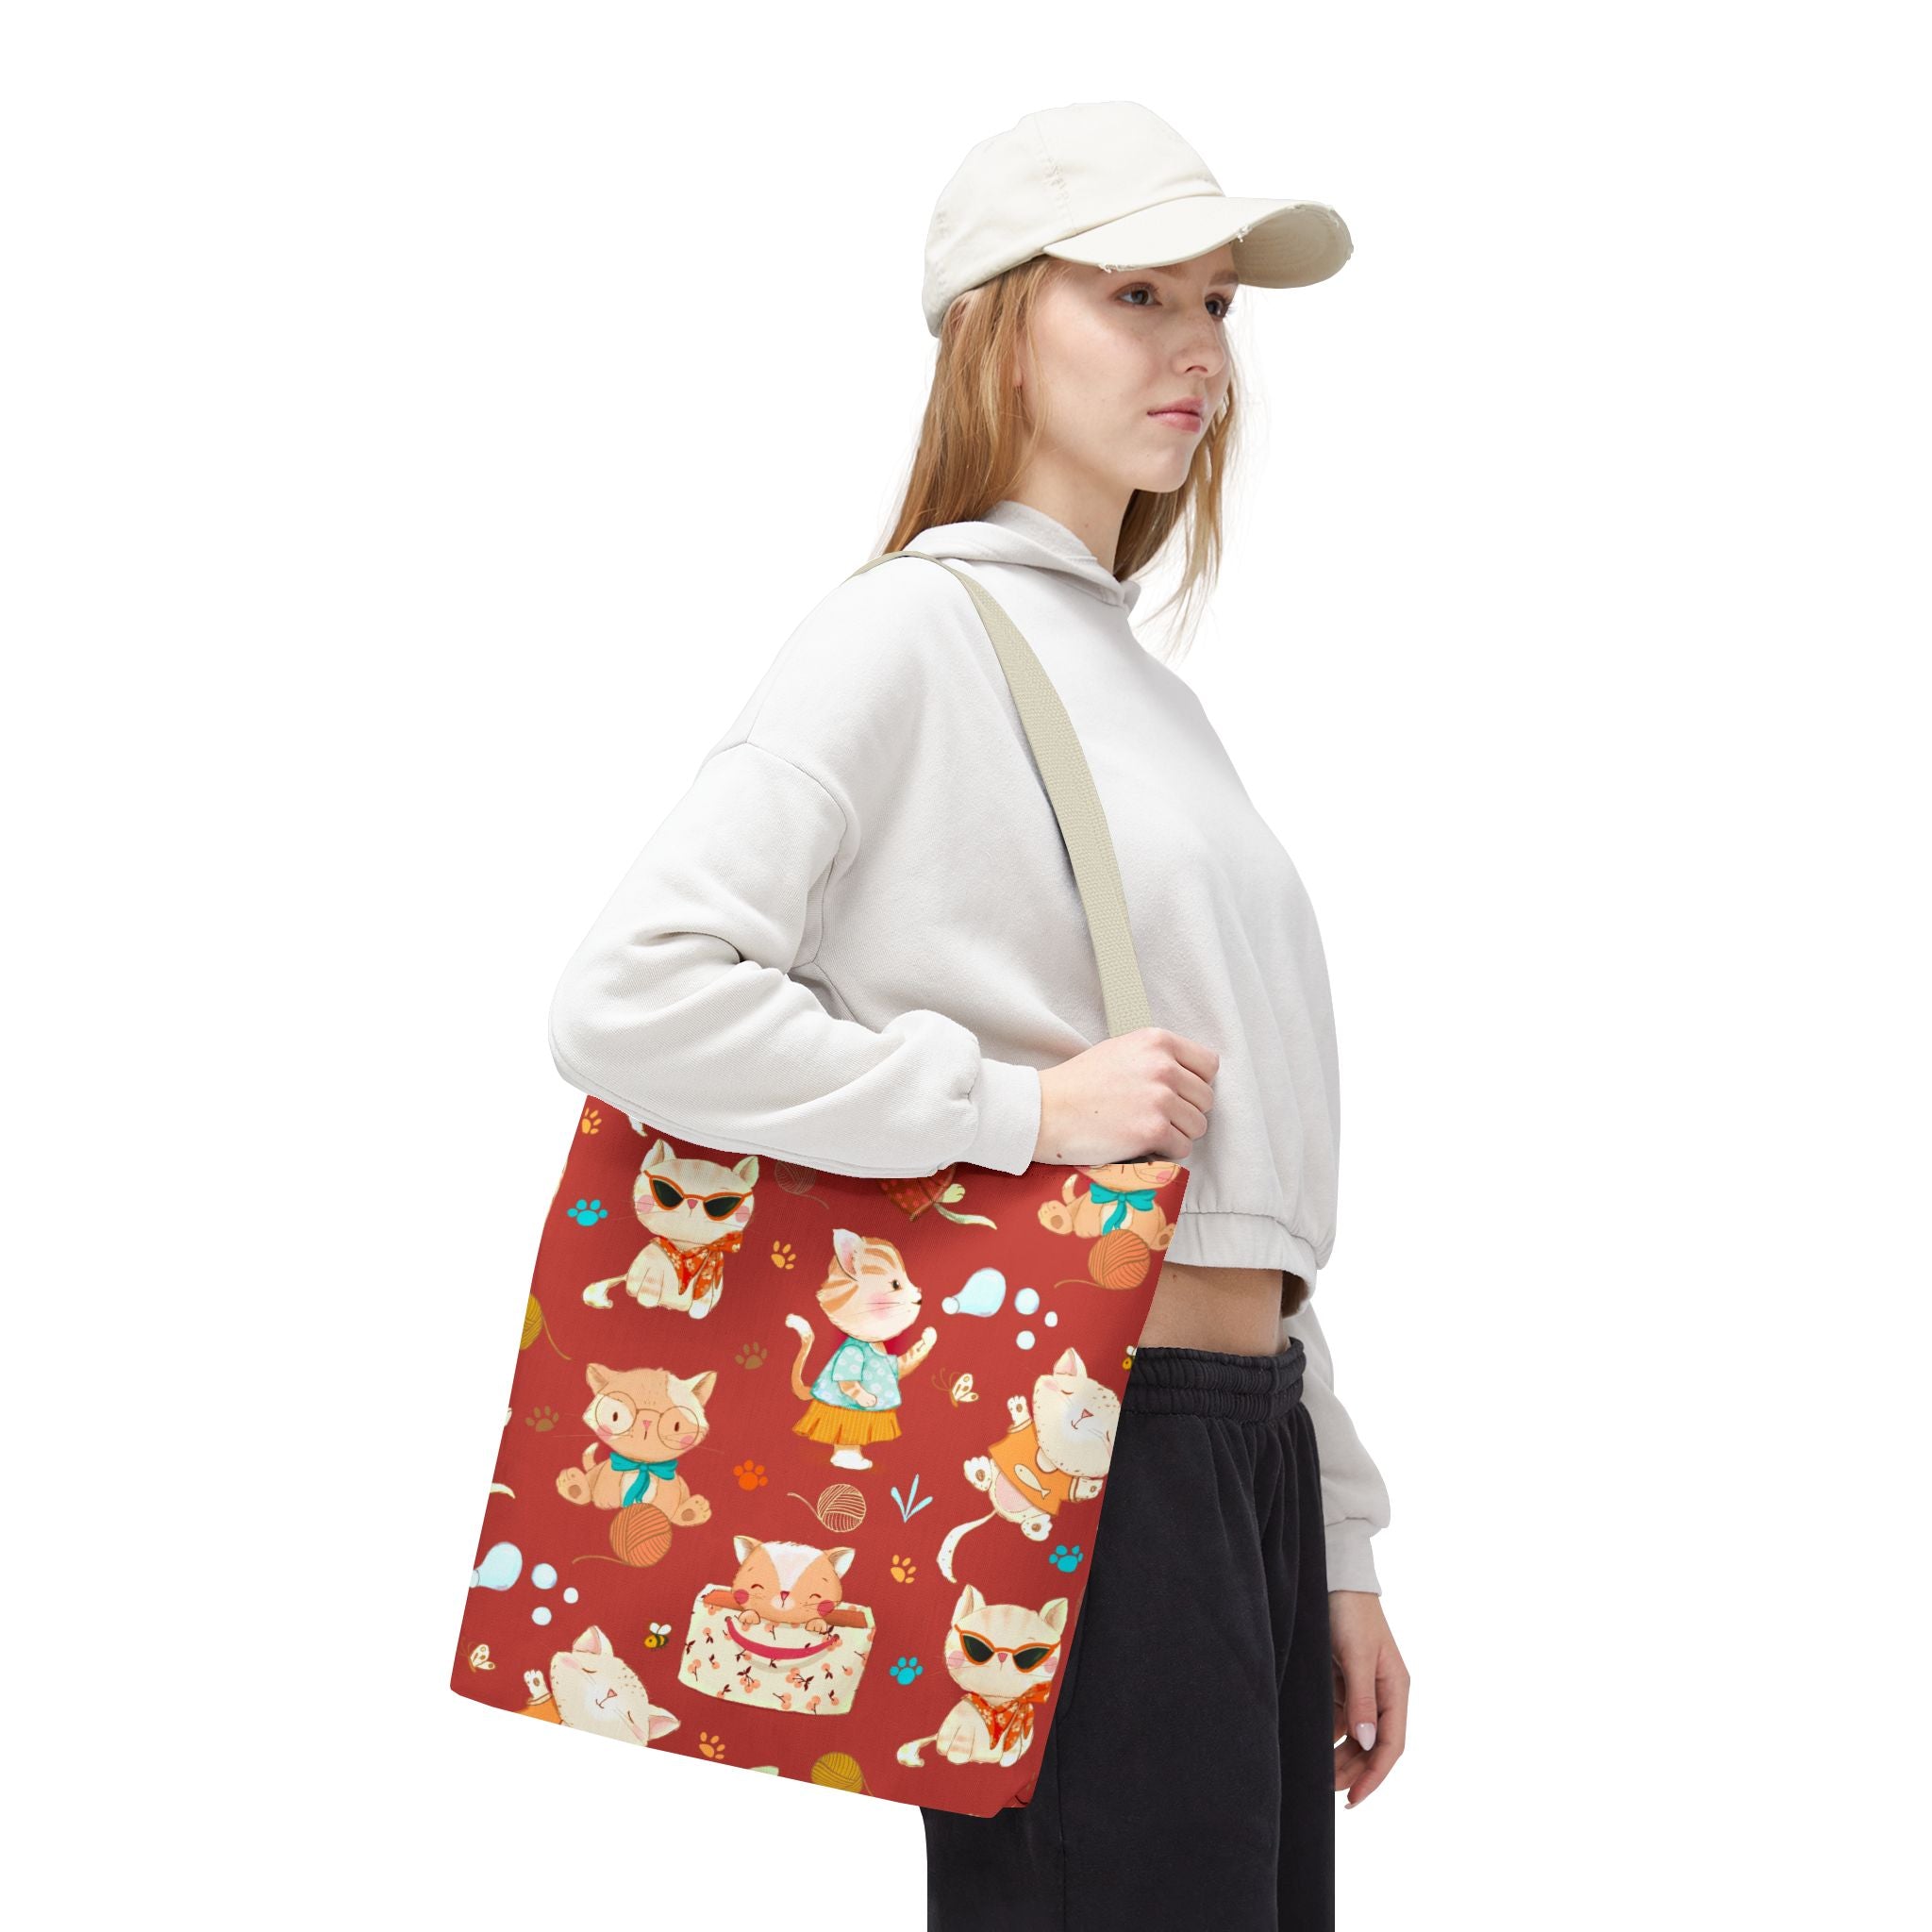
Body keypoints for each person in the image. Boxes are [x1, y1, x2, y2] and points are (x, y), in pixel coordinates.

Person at [546, 99, 1409, 1931]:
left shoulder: (1145, 693)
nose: (1196, 347)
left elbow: (1230, 1165)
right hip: (1077, 1435)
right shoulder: (905, 637)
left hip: (1226, 1441)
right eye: (1135, 294)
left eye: (1218, 306)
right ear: (995, 329)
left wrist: (1329, 1531)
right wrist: (1015, 1112)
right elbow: (630, 995)